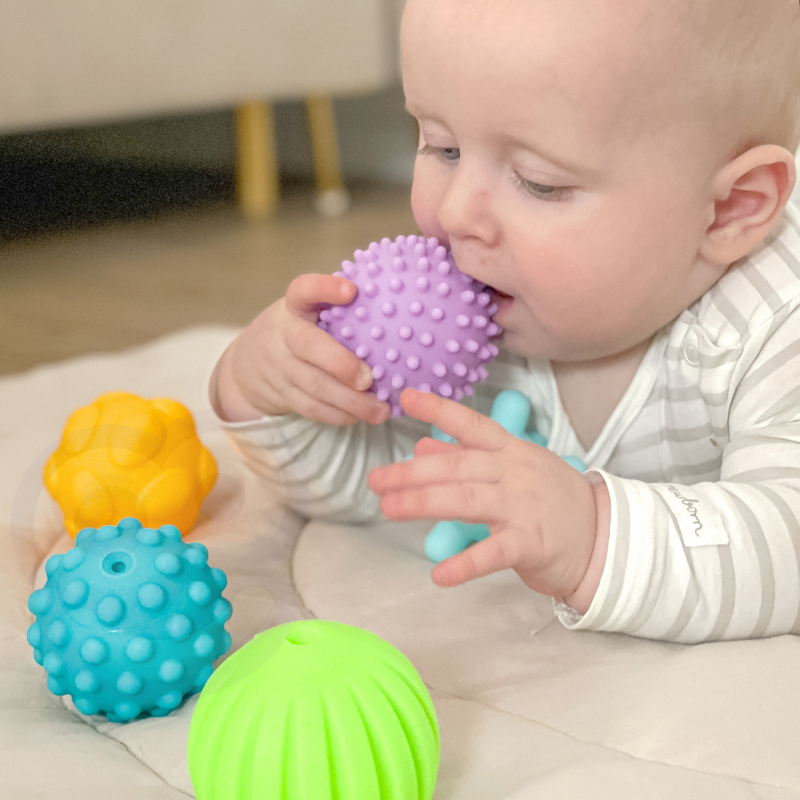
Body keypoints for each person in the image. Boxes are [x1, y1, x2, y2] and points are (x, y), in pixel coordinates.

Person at [209, 0, 800, 643]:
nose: (457, 213)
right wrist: (266, 389)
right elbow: (381, 483)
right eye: (443, 146)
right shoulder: (480, 315)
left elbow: (786, 544)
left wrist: (592, 531)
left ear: (730, 210)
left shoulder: (774, 324)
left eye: (538, 182)